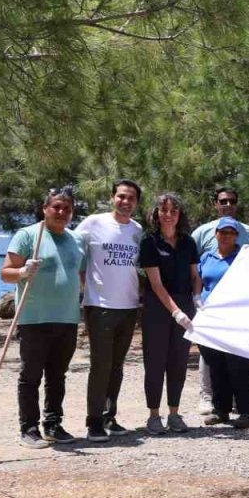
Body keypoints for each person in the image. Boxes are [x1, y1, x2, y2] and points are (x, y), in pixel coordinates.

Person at [0, 187, 86, 448]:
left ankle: (53, 424)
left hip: (67, 319)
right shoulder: (28, 235)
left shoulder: (76, 239)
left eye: (67, 208)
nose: (61, 212)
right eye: (56, 207)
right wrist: (23, 271)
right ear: (45, 209)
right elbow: (5, 273)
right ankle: (28, 428)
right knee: (30, 376)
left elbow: (80, 277)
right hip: (34, 318)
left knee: (57, 376)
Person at [77, 179, 144, 443]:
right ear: (112, 197)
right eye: (121, 197)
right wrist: (88, 285)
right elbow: (74, 251)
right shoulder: (94, 223)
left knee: (116, 367)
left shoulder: (137, 230)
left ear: (136, 203)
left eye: (131, 198)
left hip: (128, 307)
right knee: (100, 366)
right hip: (101, 307)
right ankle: (93, 422)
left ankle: (109, 416)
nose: (125, 202)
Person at [191, 186, 249, 415]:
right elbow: (198, 279)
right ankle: (221, 410)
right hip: (210, 316)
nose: (227, 236)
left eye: (231, 233)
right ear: (216, 234)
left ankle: (247, 410)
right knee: (215, 364)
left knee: (239, 365)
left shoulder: (244, 257)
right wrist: (197, 299)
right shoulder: (207, 256)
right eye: (223, 233)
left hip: (236, 317)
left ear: (237, 235)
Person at [137, 193, 200, 436]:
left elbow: (195, 276)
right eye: (164, 210)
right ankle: (154, 415)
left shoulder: (188, 242)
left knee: (178, 363)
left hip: (186, 306)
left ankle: (174, 413)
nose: (169, 215)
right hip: (158, 309)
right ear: (156, 214)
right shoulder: (149, 242)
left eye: (174, 210)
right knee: (155, 363)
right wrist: (175, 312)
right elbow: (156, 284)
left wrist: (197, 298)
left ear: (180, 215)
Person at [190, 187, 249, 253]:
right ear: (215, 204)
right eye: (223, 202)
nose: (228, 205)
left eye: (233, 202)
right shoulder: (202, 233)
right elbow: (190, 261)